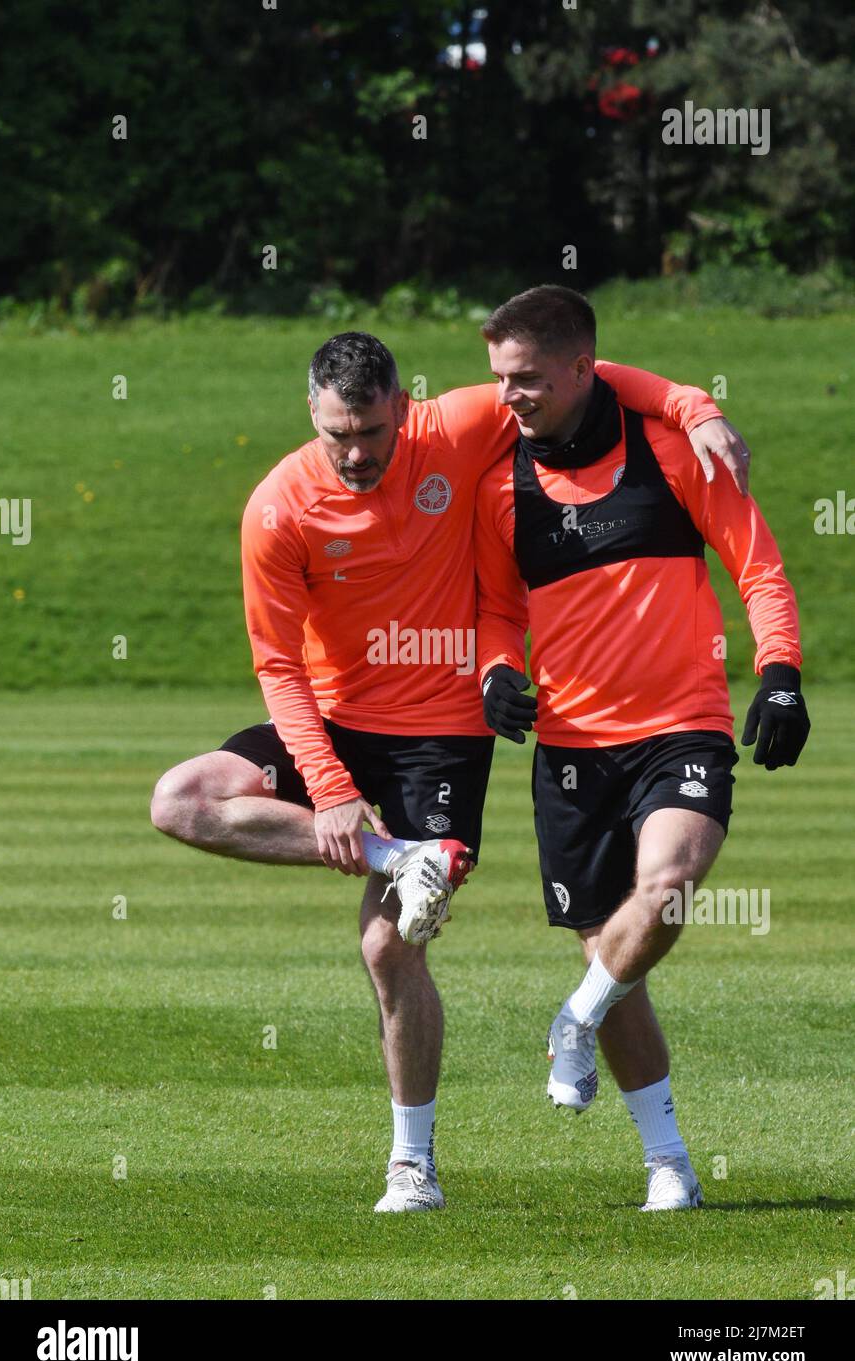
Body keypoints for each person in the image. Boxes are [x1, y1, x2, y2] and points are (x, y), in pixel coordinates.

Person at [151, 329, 748, 1213]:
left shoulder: (460, 425)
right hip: (334, 721)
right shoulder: (278, 508)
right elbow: (278, 667)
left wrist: (692, 404)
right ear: (311, 416)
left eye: (372, 434)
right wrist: (334, 794)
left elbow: (573, 378)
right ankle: (401, 857)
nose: (355, 455)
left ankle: (413, 1169)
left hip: (440, 734)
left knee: (387, 946)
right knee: (181, 798)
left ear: (403, 408)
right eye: (336, 436)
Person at [474, 286, 810, 1211]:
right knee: (613, 957)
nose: (512, 397)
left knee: (666, 890)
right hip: (572, 753)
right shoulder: (499, 484)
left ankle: (573, 1018)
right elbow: (499, 609)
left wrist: (777, 671)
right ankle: (668, 1161)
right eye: (501, 379)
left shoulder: (673, 450)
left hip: (681, 726)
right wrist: (498, 671)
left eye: (531, 379)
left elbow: (759, 565)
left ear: (585, 368)